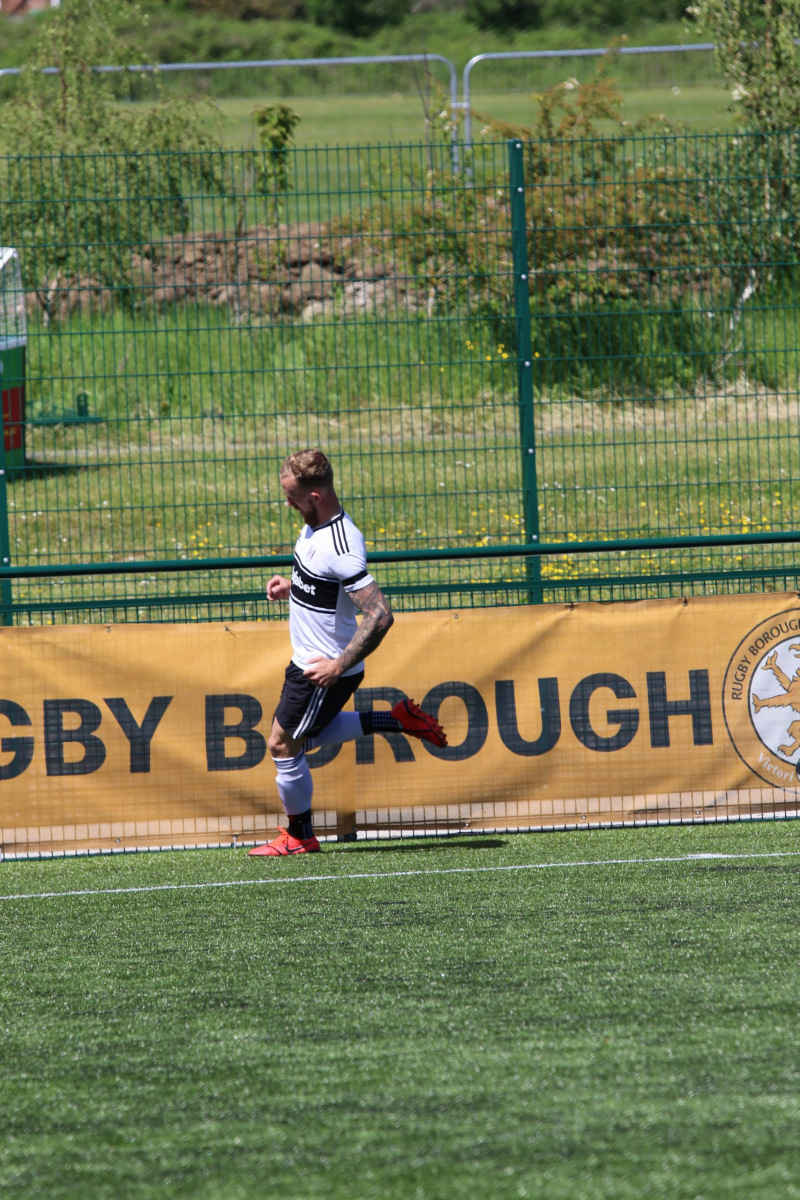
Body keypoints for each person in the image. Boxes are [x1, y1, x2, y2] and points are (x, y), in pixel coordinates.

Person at [249, 448, 447, 856]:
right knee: (305, 737)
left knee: (283, 745)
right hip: (309, 661)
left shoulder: (341, 546)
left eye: (292, 497)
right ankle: (396, 719)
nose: (288, 504)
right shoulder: (314, 525)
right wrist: (292, 587)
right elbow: (324, 584)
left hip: (323, 669)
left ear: (315, 496)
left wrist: (338, 666)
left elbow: (380, 615)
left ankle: (300, 837)